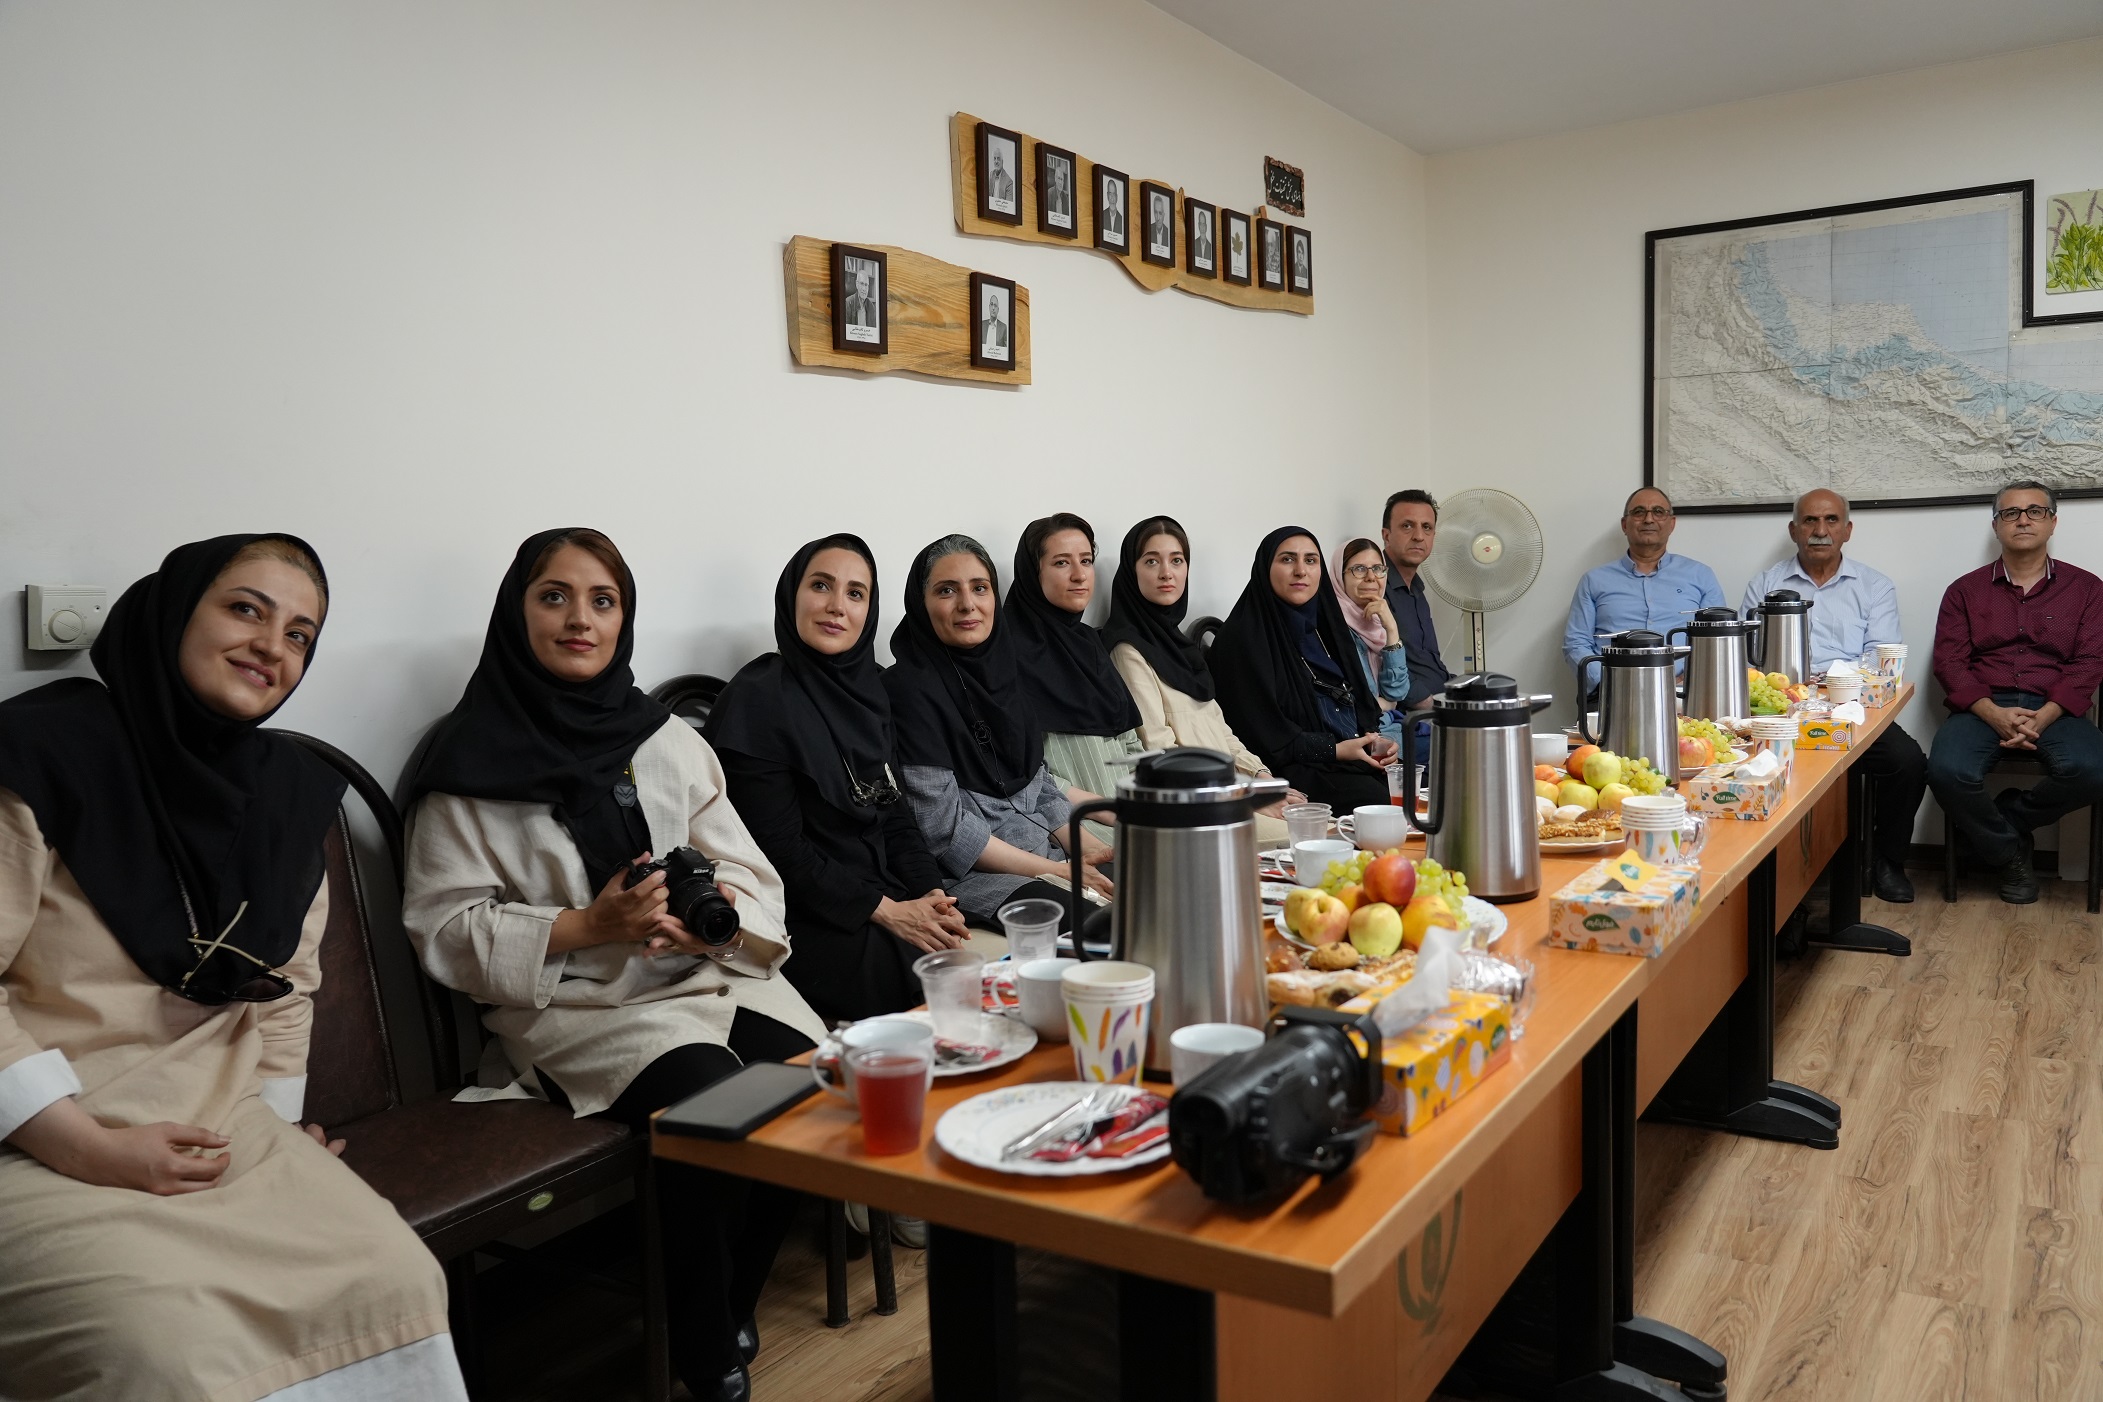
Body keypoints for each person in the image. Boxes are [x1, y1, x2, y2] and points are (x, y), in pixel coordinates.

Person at [0, 535, 464, 1401]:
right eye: (246, 609)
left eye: (299, 635)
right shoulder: (39, 754)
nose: (271, 646)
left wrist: (279, 1125)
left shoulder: (286, 791)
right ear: (175, 611)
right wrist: (86, 1148)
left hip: (220, 1124)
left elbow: (286, 990)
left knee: (395, 1281)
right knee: (165, 1355)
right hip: (35, 1139)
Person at [401, 528, 824, 1402]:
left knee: (809, 1082)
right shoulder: (466, 761)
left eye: (603, 601)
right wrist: (587, 926)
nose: (579, 619)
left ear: (624, 619)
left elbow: (746, 868)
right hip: (582, 1005)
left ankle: (729, 1302)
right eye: (553, 596)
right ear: (516, 612)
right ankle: (704, 1351)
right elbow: (445, 928)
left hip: (697, 974)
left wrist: (711, 927)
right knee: (713, 1098)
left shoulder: (662, 738)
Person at [707, 535, 968, 1026]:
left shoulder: (870, 690)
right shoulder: (758, 700)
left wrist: (933, 896)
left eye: (855, 593)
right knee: (928, 986)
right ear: (792, 595)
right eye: (821, 586)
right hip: (802, 913)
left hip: (878, 892)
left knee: (962, 962)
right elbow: (779, 851)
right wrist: (887, 911)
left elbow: (896, 816)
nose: (836, 606)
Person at [886, 535, 1115, 928]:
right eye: (946, 590)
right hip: (979, 877)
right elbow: (943, 832)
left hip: (1047, 854)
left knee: (1153, 883)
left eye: (980, 588)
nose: (967, 604)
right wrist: (1057, 871)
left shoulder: (1007, 673)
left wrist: (1088, 850)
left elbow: (1039, 784)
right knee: (1104, 927)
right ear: (921, 604)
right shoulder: (909, 690)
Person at [1742, 489, 1927, 902]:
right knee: (1762, 769)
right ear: (1794, 530)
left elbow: (1880, 658)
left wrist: (1830, 684)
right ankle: (1785, 882)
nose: (1820, 530)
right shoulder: (1766, 584)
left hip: (1851, 708)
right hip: (1782, 710)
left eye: (1830, 520)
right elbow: (1747, 656)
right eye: (1810, 521)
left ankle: (1887, 860)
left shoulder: (1874, 586)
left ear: (1847, 530)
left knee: (1908, 763)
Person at [1927, 482, 2103, 905]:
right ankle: (2009, 855)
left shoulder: (2087, 589)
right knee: (1946, 772)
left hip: (2056, 707)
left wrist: (2046, 714)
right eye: (2011, 513)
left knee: (2094, 770)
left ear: (2053, 522)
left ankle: (2008, 818)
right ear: (1996, 526)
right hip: (1983, 705)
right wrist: (1992, 713)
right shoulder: (1964, 590)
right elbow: (1949, 661)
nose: (2023, 520)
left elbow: (2090, 661)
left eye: (2035, 511)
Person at [1103, 517, 1303, 842]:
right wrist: (1245, 793)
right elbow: (1159, 751)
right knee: (1315, 837)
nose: (1167, 573)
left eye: (1177, 560)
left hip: (1228, 789)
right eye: (1151, 561)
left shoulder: (1180, 647)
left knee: (1327, 824)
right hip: (1195, 805)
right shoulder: (1128, 649)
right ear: (1131, 570)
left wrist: (1261, 777)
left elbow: (1221, 732)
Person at [1212, 527, 1399, 811]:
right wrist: (1334, 750)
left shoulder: (1326, 628)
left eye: (1311, 560)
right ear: (1265, 568)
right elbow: (1262, 737)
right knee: (1378, 803)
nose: (1301, 571)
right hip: (1289, 768)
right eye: (1287, 559)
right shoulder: (1243, 639)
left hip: (1344, 758)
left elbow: (1358, 703)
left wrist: (1375, 742)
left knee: (1420, 787)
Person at [1006, 515, 1145, 844]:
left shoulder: (1089, 643)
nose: (1080, 575)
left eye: (1086, 561)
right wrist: (1107, 810)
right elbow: (1021, 774)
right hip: (1069, 826)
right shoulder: (1007, 656)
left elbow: (1130, 745)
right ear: (1033, 572)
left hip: (1131, 815)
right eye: (1061, 563)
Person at [1563, 486, 1724, 676]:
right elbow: (1576, 643)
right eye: (1639, 512)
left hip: (1685, 688)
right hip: (1611, 688)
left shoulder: (1701, 575)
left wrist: (1688, 680)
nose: (1648, 519)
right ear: (1625, 525)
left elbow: (1718, 640)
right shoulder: (1593, 581)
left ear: (1672, 524)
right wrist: (1608, 682)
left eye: (1658, 512)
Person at [1332, 537, 1413, 747]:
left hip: (1388, 727)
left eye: (1377, 569)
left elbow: (1396, 693)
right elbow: (1355, 704)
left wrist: (1392, 630)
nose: (1371, 578)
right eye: (1359, 569)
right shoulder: (1335, 629)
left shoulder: (1379, 624)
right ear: (1339, 576)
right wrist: (1384, 704)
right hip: (1361, 738)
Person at [1381, 489, 1452, 712]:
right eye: (1407, 526)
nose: (1419, 536)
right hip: (1413, 715)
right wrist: (1429, 704)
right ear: (1386, 535)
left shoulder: (1418, 591)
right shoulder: (1375, 586)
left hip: (1440, 701)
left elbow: (1428, 664)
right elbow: (1376, 662)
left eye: (1427, 527)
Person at [981, 290, 1009, 356]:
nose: (993, 308)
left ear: (998, 310)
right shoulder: (981, 325)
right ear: (989, 307)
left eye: (995, 305)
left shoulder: (1003, 327)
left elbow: (1005, 352)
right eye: (991, 304)